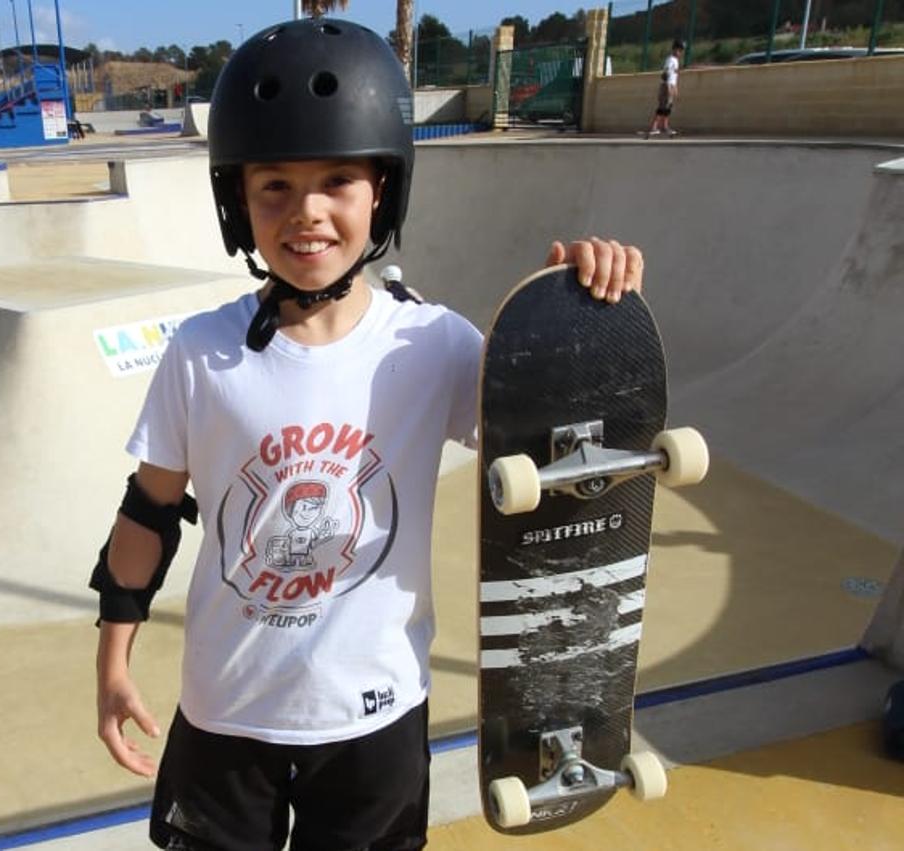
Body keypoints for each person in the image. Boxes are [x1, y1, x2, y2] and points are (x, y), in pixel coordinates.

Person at [92, 18, 644, 851]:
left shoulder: (436, 345)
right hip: (224, 712)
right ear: (236, 198)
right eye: (274, 185)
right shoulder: (200, 353)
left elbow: (553, 450)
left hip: (375, 715)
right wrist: (113, 658)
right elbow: (149, 511)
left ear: (381, 190)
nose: (306, 213)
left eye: (338, 181)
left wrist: (575, 312)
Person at [645, 39, 685, 138]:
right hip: (666, 86)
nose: (680, 53)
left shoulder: (675, 61)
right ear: (675, 49)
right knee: (662, 106)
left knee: (668, 107)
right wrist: (668, 86)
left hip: (671, 85)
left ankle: (664, 126)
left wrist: (675, 87)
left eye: (681, 51)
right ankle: (654, 127)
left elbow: (673, 75)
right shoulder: (671, 59)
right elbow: (665, 73)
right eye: (679, 50)